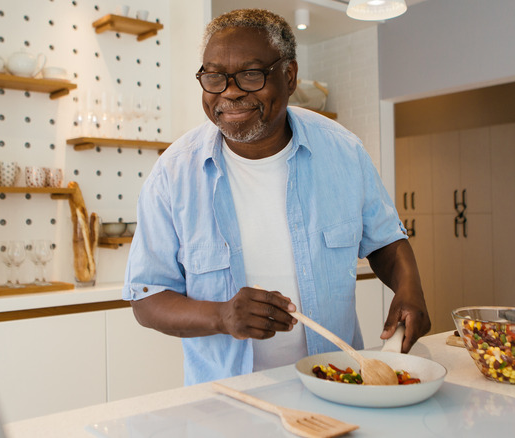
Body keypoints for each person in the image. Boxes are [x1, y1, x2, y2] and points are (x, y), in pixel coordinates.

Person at [123, 8, 430, 385]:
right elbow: (147, 297)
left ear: (289, 75)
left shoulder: (343, 151)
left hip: (338, 384)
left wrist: (409, 287)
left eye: (251, 75)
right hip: (229, 402)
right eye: (215, 76)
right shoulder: (173, 175)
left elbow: (386, 241)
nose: (230, 92)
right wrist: (221, 316)